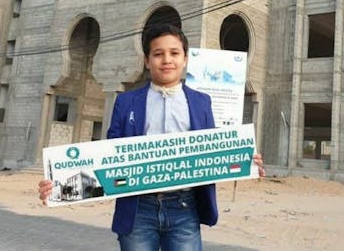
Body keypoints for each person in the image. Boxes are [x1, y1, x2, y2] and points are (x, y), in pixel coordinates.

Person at [39, 24, 265, 251]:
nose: (167, 59)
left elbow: (213, 151)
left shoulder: (201, 102)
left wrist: (245, 158)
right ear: (147, 60)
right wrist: (59, 184)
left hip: (185, 208)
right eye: (158, 54)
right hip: (138, 209)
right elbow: (107, 157)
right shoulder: (126, 102)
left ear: (185, 59)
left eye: (174, 53)